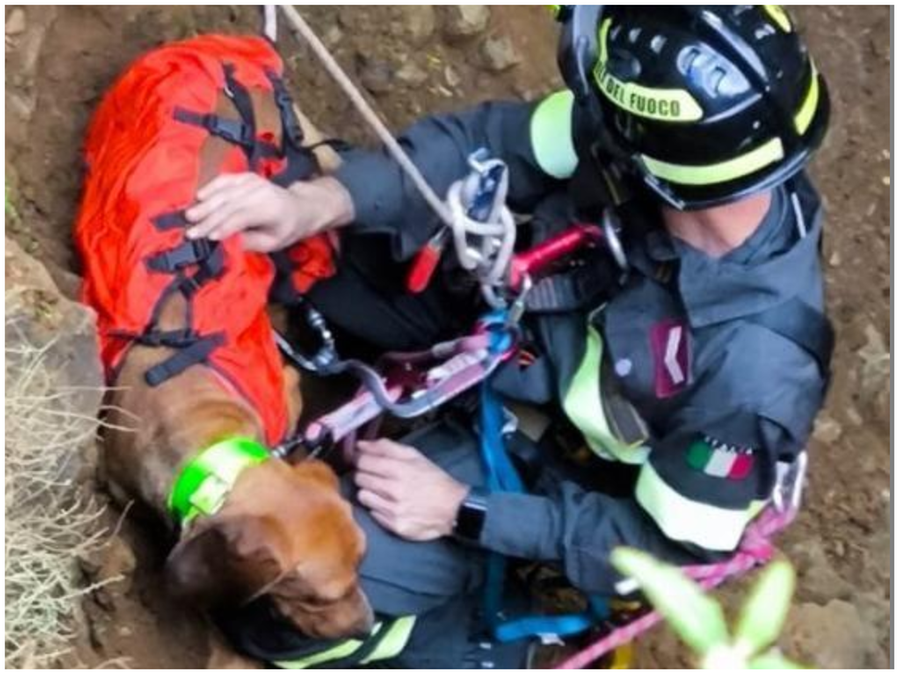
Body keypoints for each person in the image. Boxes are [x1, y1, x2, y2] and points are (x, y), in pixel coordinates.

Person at [190, 6, 832, 669]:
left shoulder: (750, 374)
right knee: (305, 232)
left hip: (548, 480)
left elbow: (668, 552)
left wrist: (463, 510)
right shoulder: (684, 159)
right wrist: (320, 202)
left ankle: (484, 644)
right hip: (509, 333)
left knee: (278, 605)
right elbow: (498, 142)